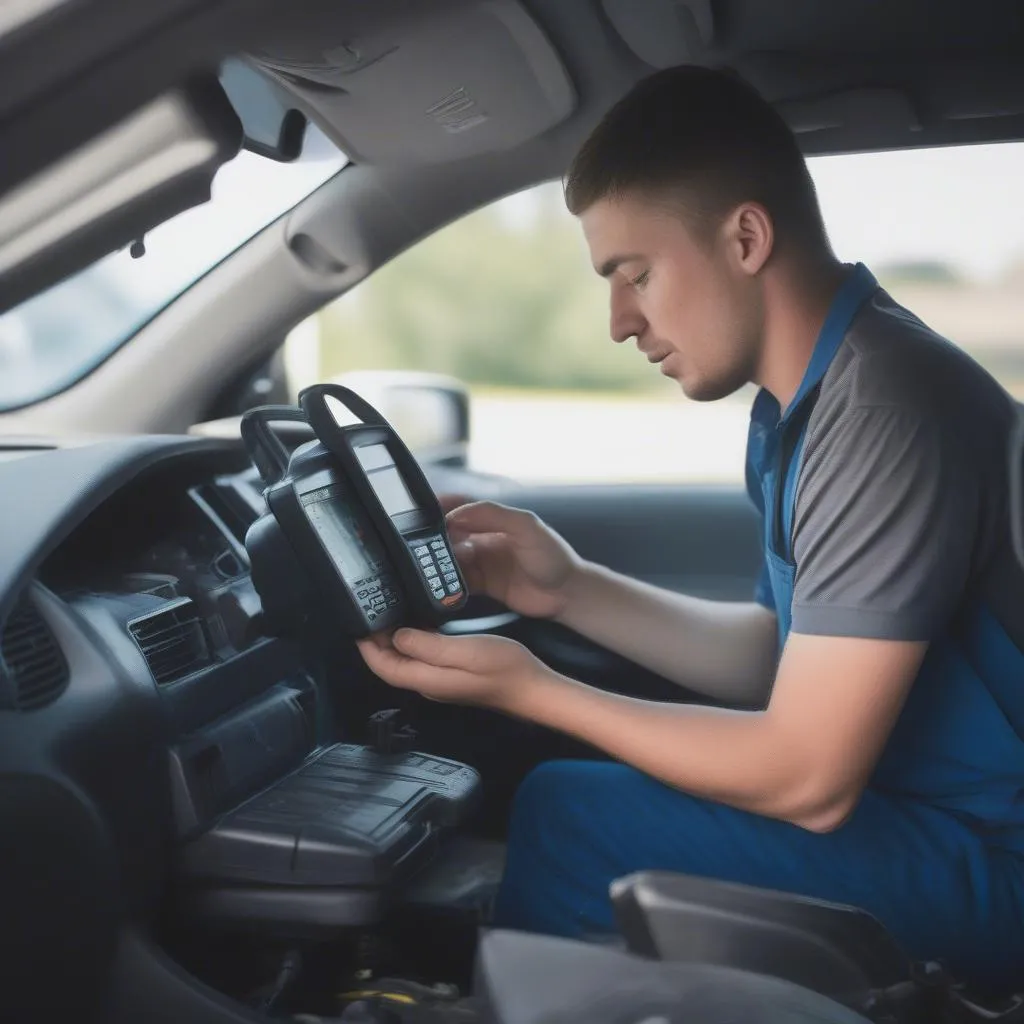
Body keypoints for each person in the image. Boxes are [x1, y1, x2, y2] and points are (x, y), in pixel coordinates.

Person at [357, 66, 1024, 992]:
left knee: (574, 818)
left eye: (636, 274)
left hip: (992, 856)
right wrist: (570, 588)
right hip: (931, 817)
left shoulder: (884, 410)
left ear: (745, 237)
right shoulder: (815, 402)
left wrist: (535, 689)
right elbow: (777, 658)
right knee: (567, 801)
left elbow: (807, 776)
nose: (620, 322)